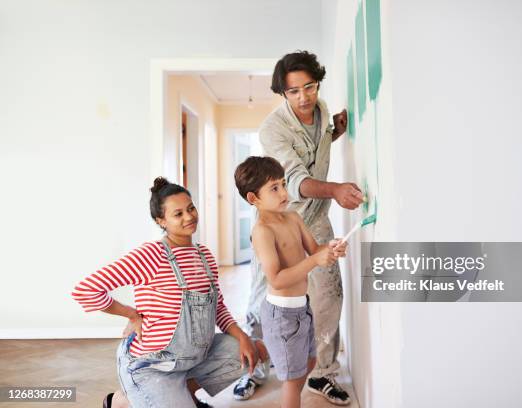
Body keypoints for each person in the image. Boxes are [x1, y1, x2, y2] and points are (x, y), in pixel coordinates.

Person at [235, 50, 362, 405]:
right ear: (283, 94)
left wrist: (333, 132)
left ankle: (322, 373)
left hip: (315, 218)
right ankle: (255, 371)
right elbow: (293, 179)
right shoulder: (272, 129)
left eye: (310, 87)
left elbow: (312, 147)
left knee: (328, 298)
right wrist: (336, 189)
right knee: (264, 297)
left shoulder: (321, 111)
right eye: (294, 92)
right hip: (281, 219)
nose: (304, 97)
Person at [72, 177, 260, 408]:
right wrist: (131, 314)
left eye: (191, 208)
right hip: (152, 367)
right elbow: (86, 289)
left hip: (190, 361)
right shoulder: (151, 255)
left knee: (252, 351)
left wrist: (243, 338)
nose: (189, 217)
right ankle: (124, 401)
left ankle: (181, 393)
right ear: (161, 221)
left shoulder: (204, 255)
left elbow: (218, 307)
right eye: (178, 214)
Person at [234, 156, 347, 408]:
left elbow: (314, 248)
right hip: (282, 314)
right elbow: (276, 278)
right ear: (254, 199)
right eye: (274, 188)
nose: (284, 193)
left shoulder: (293, 217)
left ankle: (276, 360)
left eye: (283, 184)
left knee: (308, 363)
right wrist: (316, 260)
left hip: (301, 308)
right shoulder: (262, 231)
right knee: (293, 383)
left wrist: (330, 248)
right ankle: (272, 361)